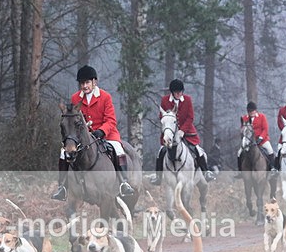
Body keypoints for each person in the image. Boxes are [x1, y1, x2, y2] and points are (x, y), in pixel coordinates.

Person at [52, 65, 134, 201]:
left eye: (87, 82)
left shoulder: (105, 97)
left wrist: (101, 131)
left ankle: (123, 183)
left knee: (118, 149)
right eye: (82, 83)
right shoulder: (75, 98)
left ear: (94, 82)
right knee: (63, 153)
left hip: (106, 134)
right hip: (84, 137)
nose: (84, 86)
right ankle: (63, 187)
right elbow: (73, 121)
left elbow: (111, 120)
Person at [152, 79, 215, 185]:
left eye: (181, 91)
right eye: (177, 92)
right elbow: (161, 117)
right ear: (172, 92)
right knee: (161, 152)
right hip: (170, 132)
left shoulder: (187, 99)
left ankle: (206, 172)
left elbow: (190, 117)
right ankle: (158, 177)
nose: (179, 94)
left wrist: (182, 130)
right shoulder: (165, 100)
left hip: (187, 132)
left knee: (197, 150)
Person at [234, 101, 273, 179]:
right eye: (249, 111)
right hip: (249, 141)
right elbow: (243, 129)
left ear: (256, 110)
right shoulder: (245, 118)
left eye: (252, 111)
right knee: (239, 153)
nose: (251, 113)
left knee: (270, 151)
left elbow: (265, 129)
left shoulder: (262, 117)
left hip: (262, 140)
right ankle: (240, 172)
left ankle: (272, 169)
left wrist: (261, 138)